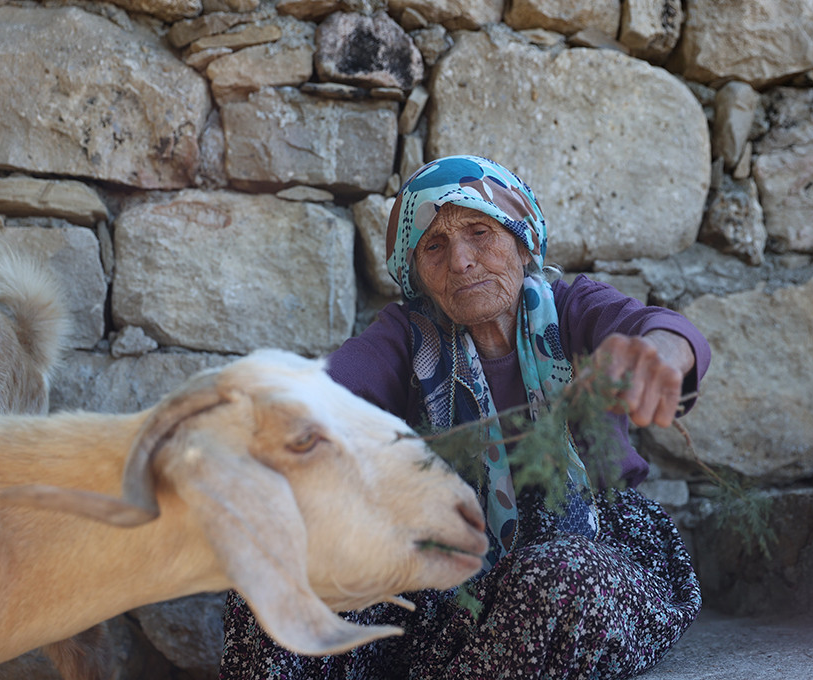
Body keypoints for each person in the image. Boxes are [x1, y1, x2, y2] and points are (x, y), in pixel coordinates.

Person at [218, 155, 710, 680]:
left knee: (559, 579)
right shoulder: (409, 337)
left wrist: (657, 355)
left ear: (523, 243)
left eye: (480, 231)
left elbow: (663, 331)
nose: (461, 261)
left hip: (591, 550)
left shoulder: (572, 309)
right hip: (445, 580)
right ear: (418, 274)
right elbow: (334, 388)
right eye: (435, 246)